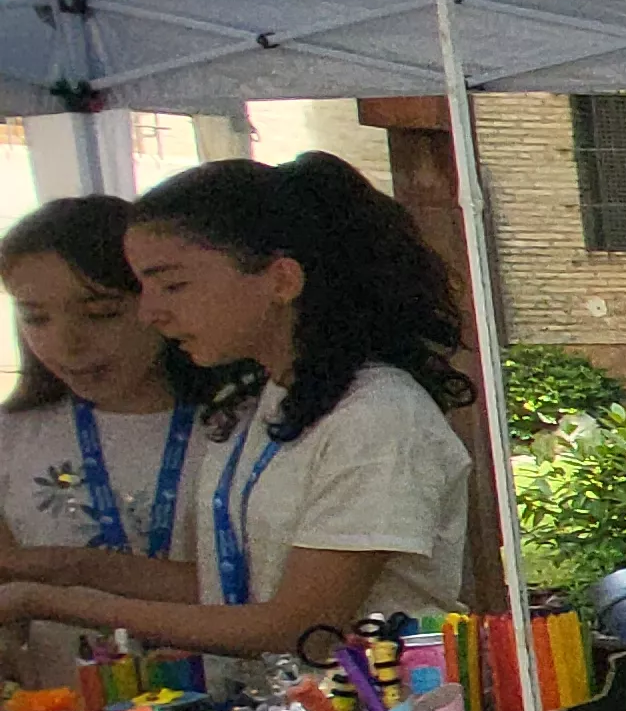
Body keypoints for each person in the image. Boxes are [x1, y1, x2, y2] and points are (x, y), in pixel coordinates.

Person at [0, 154, 477, 658]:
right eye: (144, 288)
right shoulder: (267, 399)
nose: (151, 312)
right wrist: (55, 568)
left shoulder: (378, 414)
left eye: (174, 285)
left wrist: (49, 599)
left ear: (281, 281)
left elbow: (299, 626)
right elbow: (234, 587)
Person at [0, 197, 204, 683]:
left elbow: (266, 587)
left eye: (100, 314)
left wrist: (66, 570)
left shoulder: (240, 424)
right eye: (36, 318)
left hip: (243, 710)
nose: (66, 343)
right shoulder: (12, 436)